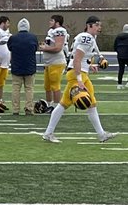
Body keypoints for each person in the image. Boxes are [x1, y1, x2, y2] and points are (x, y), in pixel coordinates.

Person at [42, 16, 116, 144]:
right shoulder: (85, 38)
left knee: (88, 103)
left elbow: (80, 58)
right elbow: (76, 59)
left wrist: (89, 65)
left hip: (80, 73)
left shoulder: (88, 38)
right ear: (90, 25)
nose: (99, 28)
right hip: (77, 75)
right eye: (97, 25)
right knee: (65, 104)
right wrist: (79, 80)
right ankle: (48, 133)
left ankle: (101, 134)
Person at [8, 19, 39, 116]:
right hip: (30, 66)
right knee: (29, 88)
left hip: (16, 66)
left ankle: (15, 109)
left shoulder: (13, 38)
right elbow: (35, 48)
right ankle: (29, 108)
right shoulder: (33, 37)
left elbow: (10, 48)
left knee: (16, 88)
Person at [39, 14, 69, 110]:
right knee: (47, 86)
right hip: (49, 62)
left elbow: (58, 48)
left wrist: (45, 48)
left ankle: (56, 107)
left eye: (52, 20)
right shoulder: (52, 31)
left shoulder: (60, 31)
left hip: (56, 62)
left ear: (57, 22)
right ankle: (49, 105)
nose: (49, 22)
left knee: (55, 86)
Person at [114, 23, 128, 88]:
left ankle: (119, 84)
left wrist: (119, 52)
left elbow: (115, 46)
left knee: (121, 69)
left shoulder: (118, 36)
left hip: (120, 55)